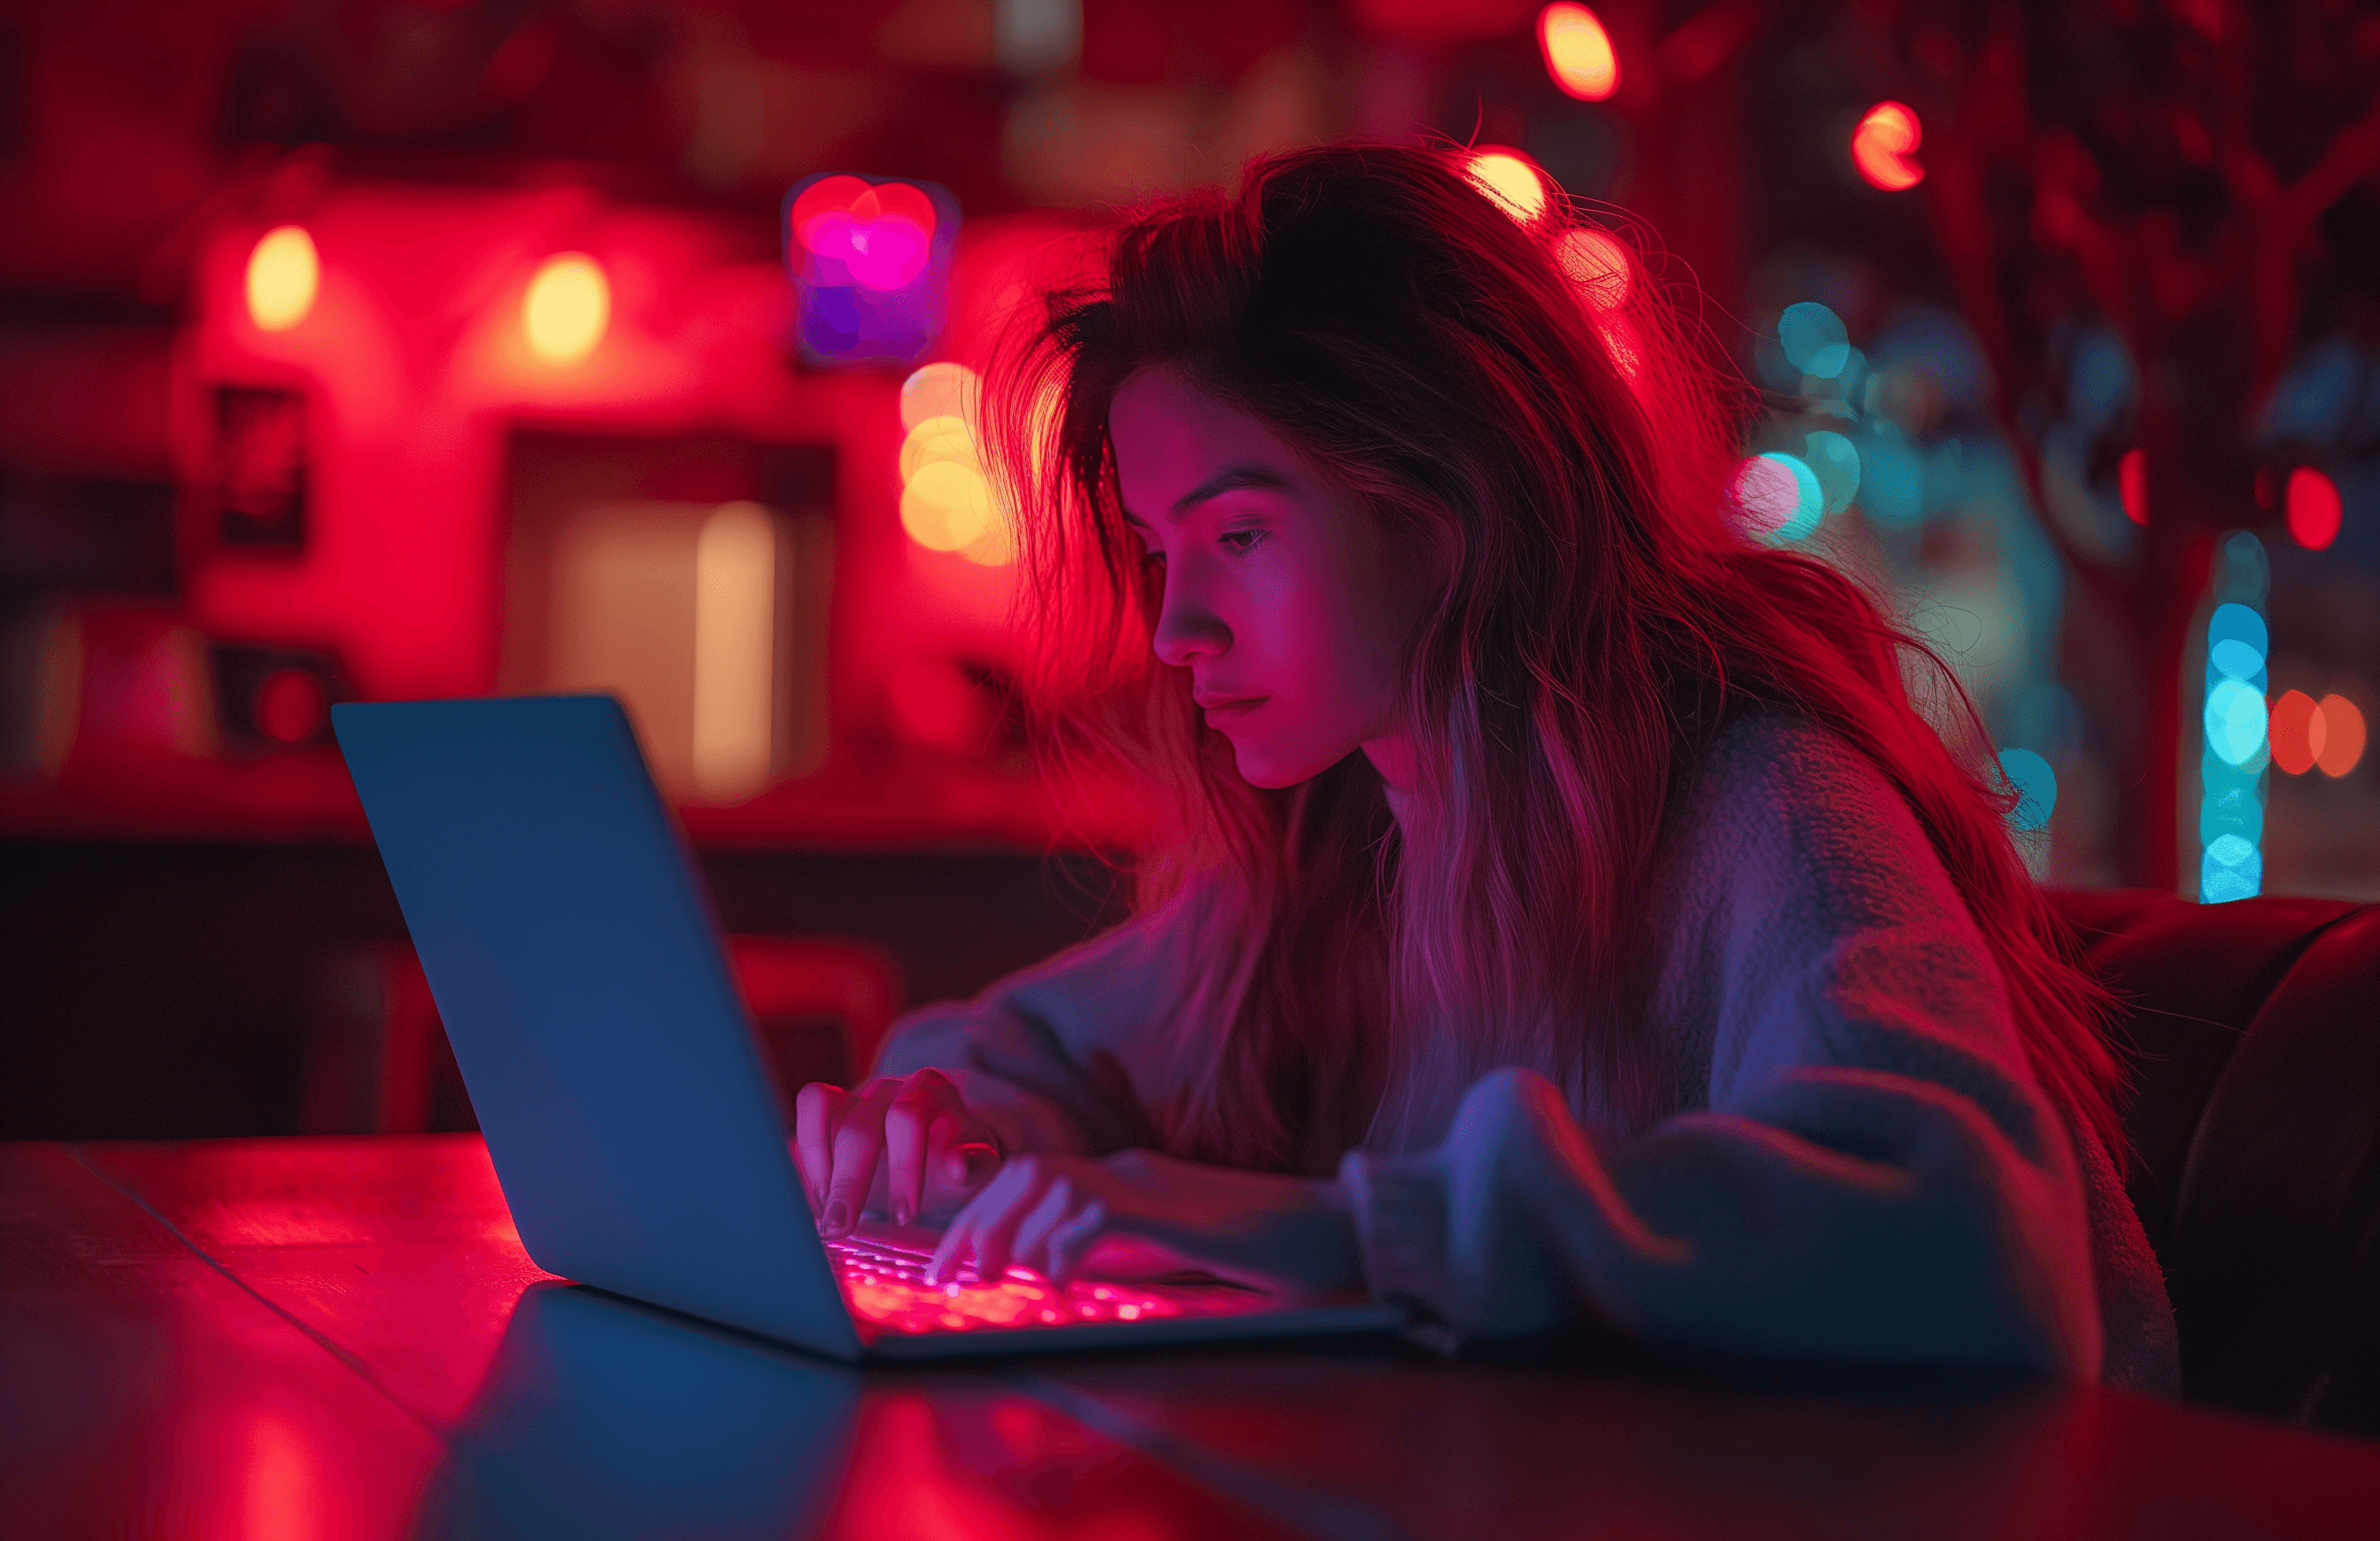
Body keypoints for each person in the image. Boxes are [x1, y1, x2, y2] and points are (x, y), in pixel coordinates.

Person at [794, 143, 2178, 1389]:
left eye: (1239, 538)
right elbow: (1022, 1048)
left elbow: (1966, 1239)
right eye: (1162, 552)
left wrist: (1342, 1232)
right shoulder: (1351, 841)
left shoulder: (1762, 796)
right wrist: (950, 1140)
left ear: (1450, 504)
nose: (1175, 627)